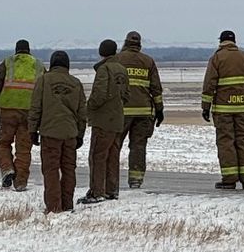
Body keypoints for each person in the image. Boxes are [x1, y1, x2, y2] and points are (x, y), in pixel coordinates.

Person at [201, 29, 244, 189]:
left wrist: (205, 107)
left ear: (221, 41)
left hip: (223, 109)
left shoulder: (216, 58)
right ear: (234, 41)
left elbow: (209, 85)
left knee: (226, 142)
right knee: (243, 140)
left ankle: (229, 179)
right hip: (243, 108)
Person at [28, 50, 87, 213]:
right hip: (70, 134)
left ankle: (54, 207)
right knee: (69, 169)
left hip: (50, 133)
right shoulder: (76, 83)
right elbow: (82, 112)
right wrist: (80, 134)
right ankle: (67, 204)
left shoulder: (44, 80)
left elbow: (35, 108)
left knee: (51, 170)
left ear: (52, 63)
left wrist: (32, 130)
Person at [0, 38, 39, 191]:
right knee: (24, 149)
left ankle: (7, 169)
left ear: (16, 50)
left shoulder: (8, 63)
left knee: (2, 143)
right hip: (29, 113)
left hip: (8, 112)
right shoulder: (38, 65)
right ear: (29, 50)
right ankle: (20, 183)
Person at [81, 39, 128, 203]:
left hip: (103, 120)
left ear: (101, 52)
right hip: (117, 119)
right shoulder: (122, 69)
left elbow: (99, 95)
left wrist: (89, 108)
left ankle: (96, 192)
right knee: (112, 156)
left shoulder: (104, 69)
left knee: (97, 156)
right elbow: (126, 95)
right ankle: (111, 190)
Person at [117, 31, 164, 189]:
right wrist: (159, 110)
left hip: (121, 111)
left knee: (114, 145)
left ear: (126, 42)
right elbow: (156, 89)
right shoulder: (148, 61)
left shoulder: (117, 60)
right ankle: (136, 180)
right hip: (144, 112)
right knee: (138, 147)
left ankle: (110, 178)